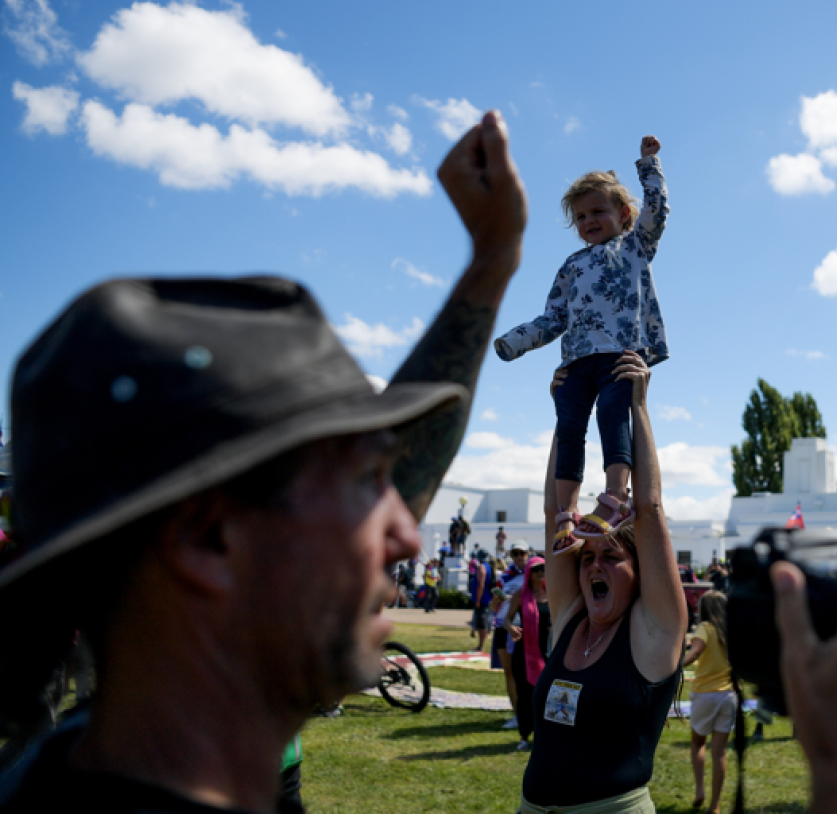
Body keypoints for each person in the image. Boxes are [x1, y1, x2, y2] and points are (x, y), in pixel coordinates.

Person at [0, 109, 527, 811]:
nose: (404, 533)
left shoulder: (93, 749)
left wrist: (492, 260)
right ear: (209, 537)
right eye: (366, 481)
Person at [519, 351, 684, 814]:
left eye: (611, 557)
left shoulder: (654, 631)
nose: (593, 566)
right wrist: (565, 415)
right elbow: (556, 511)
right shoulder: (572, 617)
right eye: (588, 557)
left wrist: (638, 407)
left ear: (640, 572)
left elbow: (648, 509)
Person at [494, 136, 670, 555]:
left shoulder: (634, 247)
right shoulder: (571, 266)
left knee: (613, 415)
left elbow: (658, 211)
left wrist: (649, 165)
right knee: (569, 428)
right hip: (575, 362)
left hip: (619, 356)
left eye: (598, 212)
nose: (588, 221)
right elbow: (553, 317)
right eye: (581, 216)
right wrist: (512, 343)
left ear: (623, 214)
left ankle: (615, 499)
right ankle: (566, 515)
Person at [682, 591, 734, 814]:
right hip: (730, 696)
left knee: (697, 744)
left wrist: (675, 666)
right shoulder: (731, 630)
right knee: (720, 752)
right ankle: (715, 805)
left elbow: (695, 653)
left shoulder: (705, 628)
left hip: (705, 694)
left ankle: (700, 790)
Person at [506, 555, 550, 752]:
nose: (540, 572)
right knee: (525, 695)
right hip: (525, 652)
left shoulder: (554, 594)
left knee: (547, 695)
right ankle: (524, 736)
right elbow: (506, 620)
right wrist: (511, 628)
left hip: (548, 651)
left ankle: (546, 735)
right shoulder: (520, 595)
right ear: (528, 573)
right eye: (536, 569)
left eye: (543, 568)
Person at [494, 540, 530, 729]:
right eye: (514, 553)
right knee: (509, 672)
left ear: (528, 553)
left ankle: (528, 713)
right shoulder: (504, 577)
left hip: (522, 627)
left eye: (521, 553)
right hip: (502, 626)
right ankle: (517, 714)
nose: (518, 557)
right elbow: (493, 607)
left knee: (524, 673)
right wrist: (496, 600)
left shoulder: (534, 574)